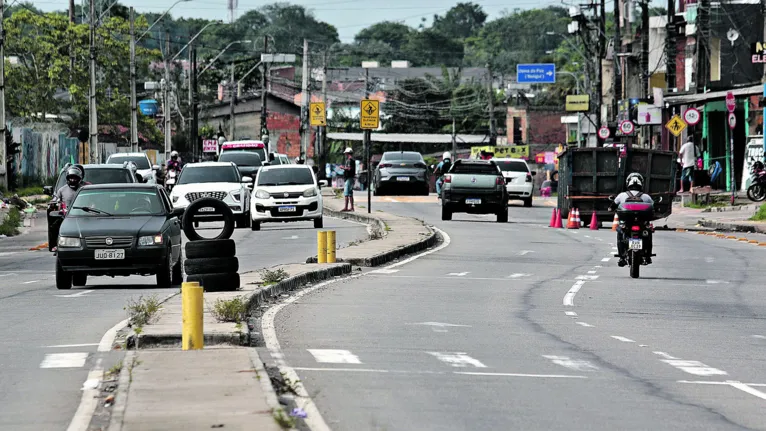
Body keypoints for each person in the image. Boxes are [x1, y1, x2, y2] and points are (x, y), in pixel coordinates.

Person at [609, 173, 654, 267]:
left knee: (620, 234)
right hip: (642, 224)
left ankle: (621, 257)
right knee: (648, 234)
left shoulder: (622, 195)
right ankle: (648, 256)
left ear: (627, 184)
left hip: (627, 224)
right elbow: (653, 206)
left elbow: (613, 205)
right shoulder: (646, 197)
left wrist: (611, 208)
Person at [51, 167, 85, 252]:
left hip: (83, 215)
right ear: (67, 178)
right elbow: (55, 201)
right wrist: (54, 204)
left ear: (79, 179)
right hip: (66, 216)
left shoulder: (84, 189)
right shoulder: (62, 190)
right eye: (71, 178)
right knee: (55, 225)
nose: (73, 180)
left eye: (75, 178)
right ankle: (55, 244)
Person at [339, 147, 356, 211]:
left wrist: (342, 167)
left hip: (348, 178)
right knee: (350, 193)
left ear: (347, 153)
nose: (345, 154)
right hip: (351, 178)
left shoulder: (349, 160)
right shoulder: (352, 160)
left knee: (346, 193)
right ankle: (352, 207)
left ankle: (346, 207)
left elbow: (349, 168)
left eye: (346, 153)